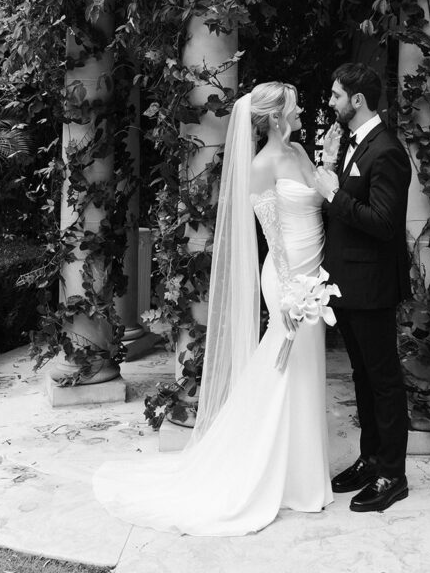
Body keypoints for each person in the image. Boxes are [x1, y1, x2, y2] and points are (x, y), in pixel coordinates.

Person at [93, 82, 333, 536]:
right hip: (287, 277)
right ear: (277, 116)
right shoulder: (262, 166)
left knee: (306, 368)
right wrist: (287, 293)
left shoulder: (302, 152)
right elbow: (272, 235)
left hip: (315, 272)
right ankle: (268, 471)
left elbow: (320, 199)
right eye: (295, 106)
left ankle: (302, 475)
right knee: (285, 365)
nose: (302, 110)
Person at [314, 62, 412, 514]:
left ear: (357, 100)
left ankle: (393, 474)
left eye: (336, 96)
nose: (331, 102)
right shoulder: (356, 143)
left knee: (384, 381)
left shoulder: (386, 150)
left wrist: (335, 197)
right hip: (346, 284)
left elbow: (385, 223)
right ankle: (371, 459)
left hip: (372, 286)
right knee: (362, 376)